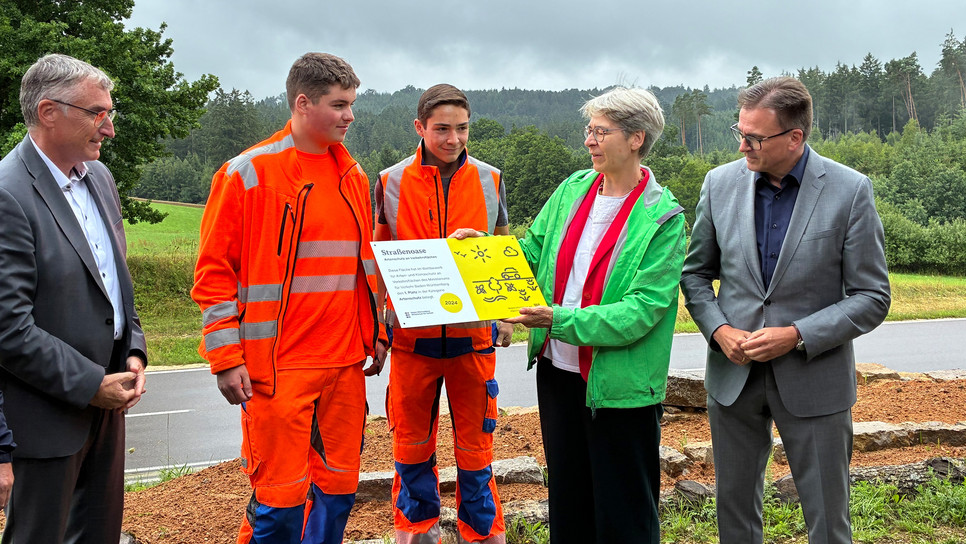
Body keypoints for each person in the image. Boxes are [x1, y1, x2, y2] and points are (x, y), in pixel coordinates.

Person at [455, 86, 687, 543]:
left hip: (619, 388)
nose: (589, 140)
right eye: (589, 130)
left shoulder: (664, 216)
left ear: (637, 138)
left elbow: (639, 312)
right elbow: (530, 254)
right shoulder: (572, 190)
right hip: (559, 373)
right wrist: (482, 249)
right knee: (569, 502)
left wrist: (556, 320)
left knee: (624, 513)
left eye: (601, 131)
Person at [680, 76, 891, 544]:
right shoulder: (718, 184)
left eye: (753, 137)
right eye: (739, 132)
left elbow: (872, 296)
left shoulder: (850, 190)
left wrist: (796, 334)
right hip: (732, 381)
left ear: (795, 137)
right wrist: (719, 331)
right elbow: (695, 275)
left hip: (815, 381)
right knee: (733, 518)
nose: (742, 146)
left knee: (828, 523)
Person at [191, 52, 387, 544]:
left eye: (352, 105)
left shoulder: (353, 177)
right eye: (339, 105)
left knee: (339, 492)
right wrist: (223, 357)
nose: (350, 116)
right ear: (303, 103)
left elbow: (362, 267)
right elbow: (214, 275)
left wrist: (378, 331)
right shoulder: (246, 174)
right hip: (277, 371)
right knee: (278, 502)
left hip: (345, 368)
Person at [0, 53, 148, 544]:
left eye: (110, 112)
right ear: (48, 112)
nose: (109, 128)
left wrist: (134, 349)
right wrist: (91, 384)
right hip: (45, 421)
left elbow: (115, 287)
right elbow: (9, 328)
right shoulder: (8, 193)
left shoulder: (99, 179)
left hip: (107, 411)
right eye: (96, 113)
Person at [373, 83, 511, 544]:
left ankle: (483, 536)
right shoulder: (389, 182)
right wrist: (376, 328)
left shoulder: (491, 179)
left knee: (477, 452)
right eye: (442, 129)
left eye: (462, 129)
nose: (454, 139)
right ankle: (415, 533)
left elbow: (501, 254)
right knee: (411, 450)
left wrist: (506, 315)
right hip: (412, 342)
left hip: (474, 340)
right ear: (420, 127)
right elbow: (377, 264)